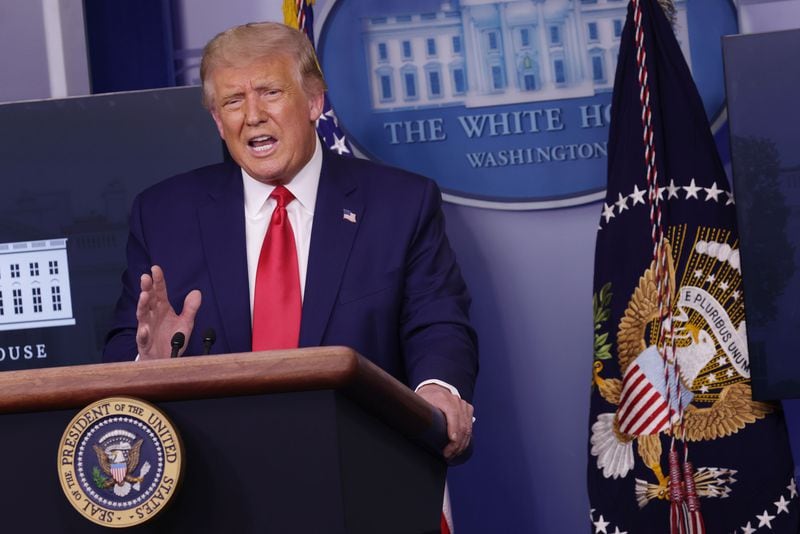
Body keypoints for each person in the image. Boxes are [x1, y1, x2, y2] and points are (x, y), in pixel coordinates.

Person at [103, 21, 477, 460]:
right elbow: (127, 344)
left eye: (270, 92)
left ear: (314, 101)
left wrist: (436, 390)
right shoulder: (164, 213)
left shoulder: (400, 203)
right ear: (218, 121)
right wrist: (151, 364)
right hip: (216, 474)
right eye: (233, 101)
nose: (253, 115)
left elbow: (437, 321)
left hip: (363, 461)